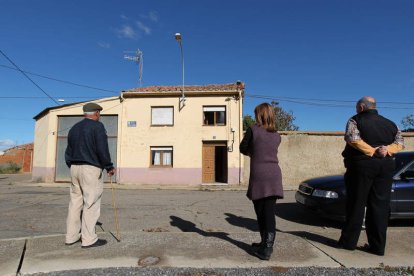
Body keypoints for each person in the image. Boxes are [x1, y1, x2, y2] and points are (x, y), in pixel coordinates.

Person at [338, 96, 404, 256]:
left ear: (361, 107)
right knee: (380, 206)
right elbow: (401, 143)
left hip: (362, 166)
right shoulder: (391, 123)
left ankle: (348, 243)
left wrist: (372, 151)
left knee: (356, 203)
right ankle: (378, 247)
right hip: (386, 166)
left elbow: (352, 138)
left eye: (356, 107)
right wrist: (387, 150)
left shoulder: (355, 120)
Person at [64, 102, 115, 248]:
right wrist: (108, 166)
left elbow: (68, 151)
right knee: (91, 203)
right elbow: (102, 149)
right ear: (97, 113)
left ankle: (71, 237)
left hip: (74, 168)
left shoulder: (74, 128)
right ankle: (89, 239)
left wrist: (72, 165)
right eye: (100, 113)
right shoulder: (97, 127)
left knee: (75, 203)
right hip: (90, 169)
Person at [240, 102, 283, 260]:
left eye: (256, 113)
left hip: (260, 175)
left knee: (261, 212)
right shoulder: (277, 135)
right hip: (274, 174)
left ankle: (267, 250)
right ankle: (265, 243)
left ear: (260, 114)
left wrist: (253, 152)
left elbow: (242, 147)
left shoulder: (253, 130)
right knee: (268, 212)